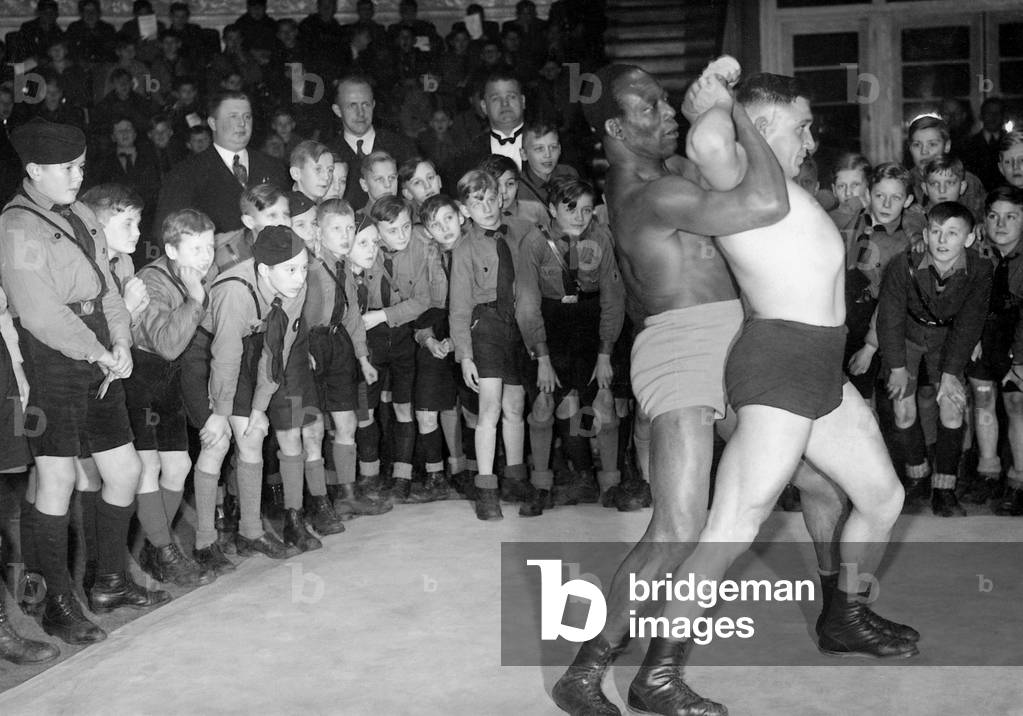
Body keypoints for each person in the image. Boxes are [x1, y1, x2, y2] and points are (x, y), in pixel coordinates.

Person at [0, 119, 169, 645]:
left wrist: (120, 342)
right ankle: (55, 602)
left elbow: (108, 288)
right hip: (53, 359)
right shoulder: (17, 227)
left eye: (80, 166)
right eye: (67, 169)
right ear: (34, 171)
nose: (78, 176)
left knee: (125, 470)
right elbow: (39, 314)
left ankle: (109, 581)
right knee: (58, 481)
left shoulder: (82, 215)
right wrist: (98, 352)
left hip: (98, 351)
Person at [515, 178, 638, 515]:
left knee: (604, 403)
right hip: (549, 327)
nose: (580, 217)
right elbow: (527, 303)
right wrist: (541, 357)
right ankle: (541, 487)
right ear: (552, 209)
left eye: (586, 209)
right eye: (570, 209)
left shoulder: (600, 238)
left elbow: (613, 298)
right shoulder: (534, 242)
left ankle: (610, 485)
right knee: (544, 405)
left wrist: (605, 353)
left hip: (590, 326)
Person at [878, 201, 992, 516]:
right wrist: (897, 368)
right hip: (908, 337)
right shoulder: (902, 265)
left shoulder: (980, 269)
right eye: (937, 232)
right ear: (926, 234)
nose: (943, 240)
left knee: (952, 408)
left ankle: (945, 488)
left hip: (948, 340)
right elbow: (889, 319)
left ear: (969, 239)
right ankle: (918, 475)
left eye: (953, 233)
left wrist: (951, 374)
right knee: (903, 408)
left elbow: (970, 321)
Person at [449, 170, 531, 520]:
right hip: (485, 327)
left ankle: (515, 480)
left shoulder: (521, 233)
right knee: (490, 407)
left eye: (490, 198)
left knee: (515, 405)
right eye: (476, 202)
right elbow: (459, 308)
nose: (486, 207)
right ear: (464, 209)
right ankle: (486, 488)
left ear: (501, 198)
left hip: (517, 325)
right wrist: (465, 356)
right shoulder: (465, 248)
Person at [306, 198, 391, 517]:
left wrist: (363, 358)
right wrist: (303, 351)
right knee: (312, 429)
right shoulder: (309, 267)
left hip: (338, 345)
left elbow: (353, 315)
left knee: (347, 422)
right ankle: (318, 503)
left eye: (349, 228)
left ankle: (347, 494)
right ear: (318, 231)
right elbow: (294, 315)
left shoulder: (343, 268)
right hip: (311, 347)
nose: (345, 236)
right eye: (336, 229)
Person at [155, 91, 289, 236]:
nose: (242, 123)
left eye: (247, 117)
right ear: (213, 123)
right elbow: (167, 233)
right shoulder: (186, 173)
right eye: (233, 117)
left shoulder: (273, 167)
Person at [964, 186, 1023, 516]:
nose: (1001, 224)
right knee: (983, 399)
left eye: (1011, 217)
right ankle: (988, 472)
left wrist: (1021, 360)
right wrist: (972, 337)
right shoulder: (976, 254)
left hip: (1018, 343)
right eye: (993, 216)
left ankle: (1019, 480)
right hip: (984, 340)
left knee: (1017, 403)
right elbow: (968, 302)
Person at [328, 76, 415, 211]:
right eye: (352, 105)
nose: (360, 113)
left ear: (373, 105)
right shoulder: (328, 155)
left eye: (366, 104)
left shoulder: (401, 146)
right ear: (337, 110)